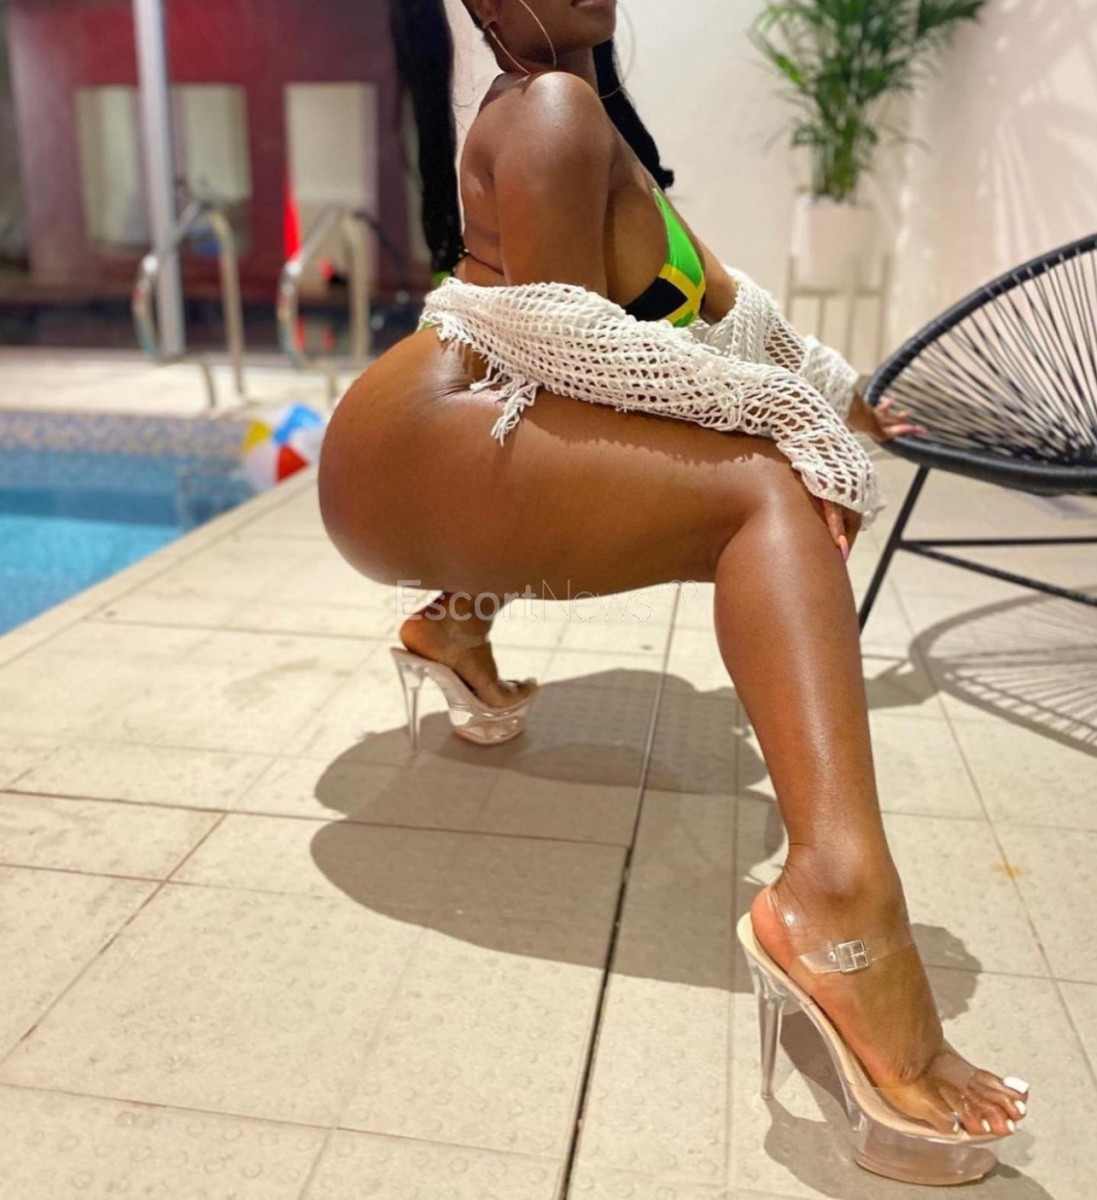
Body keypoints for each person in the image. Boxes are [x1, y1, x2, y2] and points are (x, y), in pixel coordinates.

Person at [317, 0, 1029, 1182]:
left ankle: (451, 627)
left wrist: (848, 401)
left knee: (757, 450)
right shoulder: (547, 108)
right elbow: (568, 356)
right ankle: (837, 898)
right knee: (766, 492)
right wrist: (795, 428)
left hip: (448, 428)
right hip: (410, 444)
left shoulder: (598, 129)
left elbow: (732, 317)